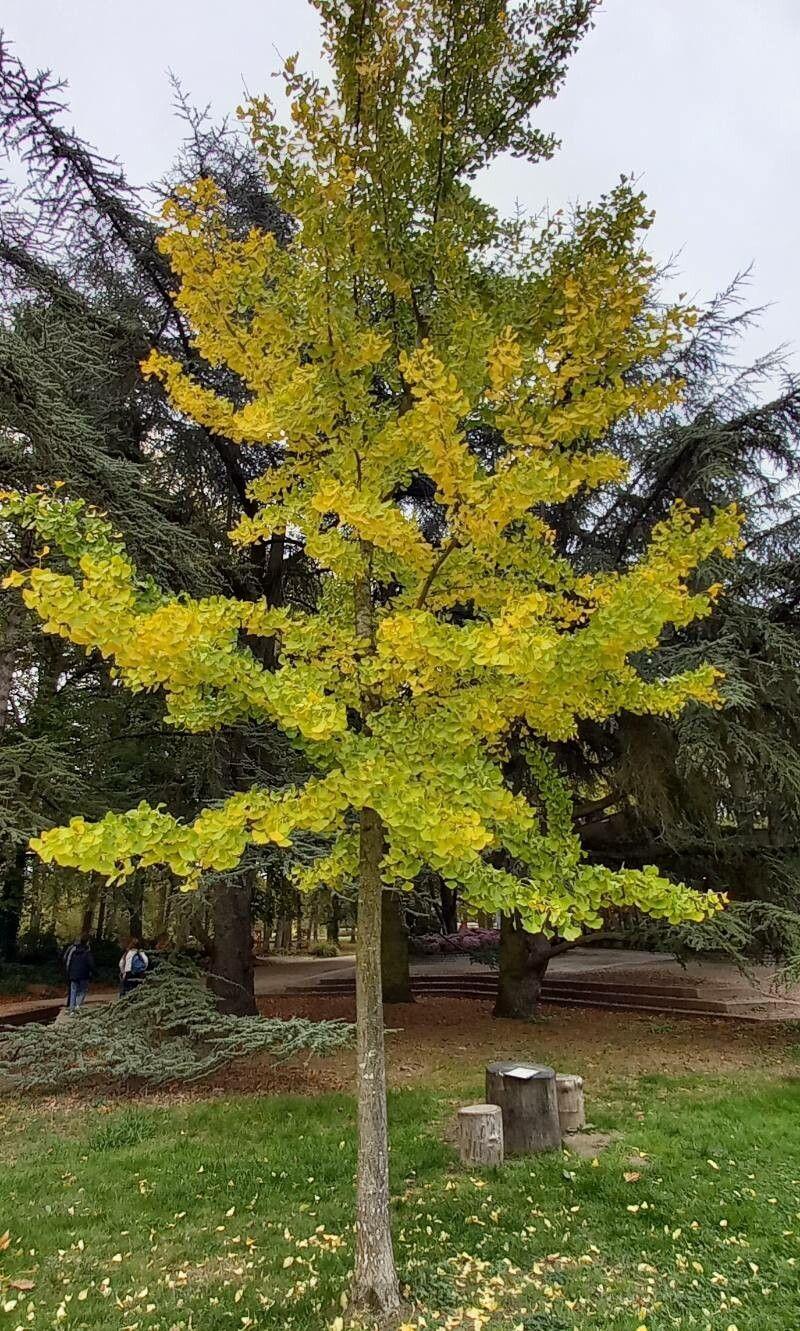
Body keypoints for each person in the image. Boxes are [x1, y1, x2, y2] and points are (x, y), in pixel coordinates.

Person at [63, 933, 95, 1010]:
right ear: (87, 943)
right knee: (83, 990)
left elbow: (69, 962)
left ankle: (71, 1008)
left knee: (73, 991)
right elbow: (91, 964)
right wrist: (93, 972)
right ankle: (77, 1005)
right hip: (84, 975)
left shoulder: (74, 951)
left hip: (73, 974)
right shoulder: (87, 953)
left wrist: (69, 972)